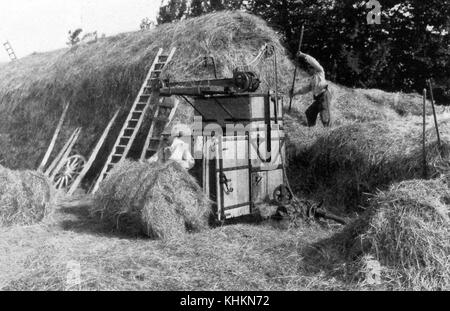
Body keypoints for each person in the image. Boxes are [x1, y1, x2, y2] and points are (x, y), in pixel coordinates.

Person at [290, 51, 332, 127]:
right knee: (310, 112)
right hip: (318, 98)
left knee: (325, 116)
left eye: (310, 68)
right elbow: (305, 89)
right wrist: (295, 93)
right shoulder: (312, 80)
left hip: (324, 96)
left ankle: (328, 133)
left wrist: (303, 55)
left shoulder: (320, 71)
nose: (308, 70)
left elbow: (313, 61)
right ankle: (311, 129)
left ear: (314, 68)